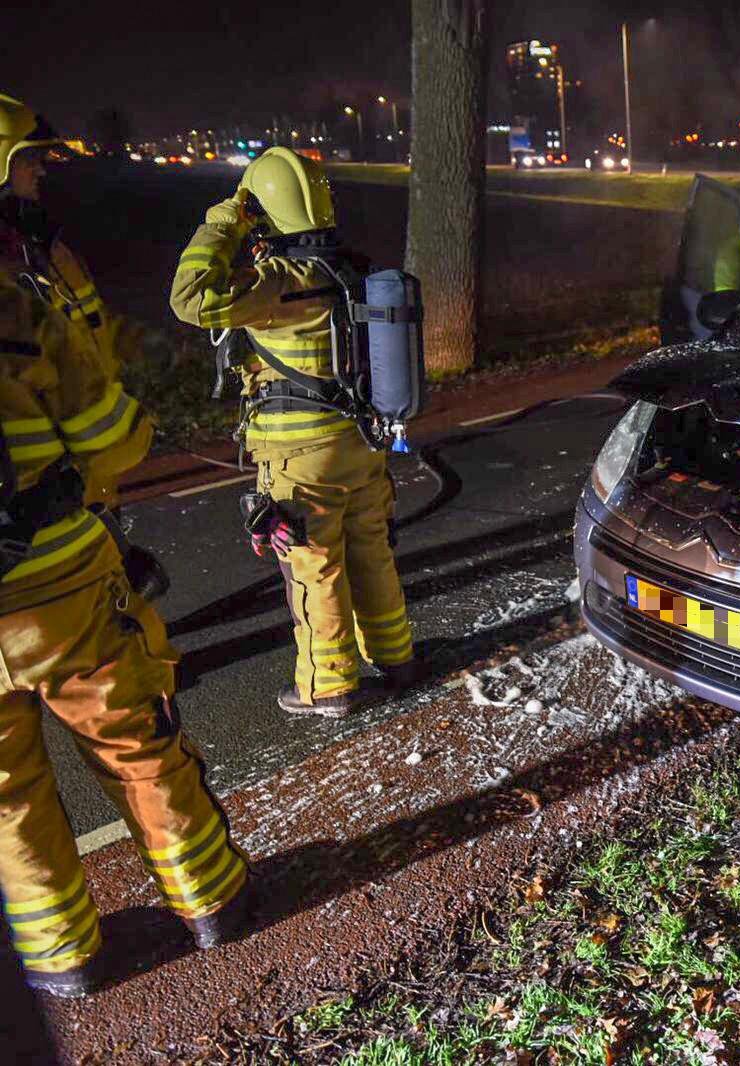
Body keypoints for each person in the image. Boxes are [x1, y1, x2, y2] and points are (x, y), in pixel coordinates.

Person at [1, 268, 250, 999]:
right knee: (137, 746)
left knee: (7, 798)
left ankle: (62, 957)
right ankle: (211, 902)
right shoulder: (15, 305)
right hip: (63, 591)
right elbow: (114, 440)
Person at [169, 147, 419, 717]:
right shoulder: (350, 270)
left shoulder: (277, 283)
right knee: (372, 555)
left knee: (314, 569)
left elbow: (190, 299)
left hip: (300, 458)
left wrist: (223, 223)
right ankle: (397, 657)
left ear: (266, 212)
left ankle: (327, 686)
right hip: (362, 443)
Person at [0, 92, 168, 600]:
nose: (41, 170)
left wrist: (143, 344)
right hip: (38, 506)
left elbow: (88, 323)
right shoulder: (11, 274)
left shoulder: (47, 251)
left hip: (87, 478)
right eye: (28, 159)